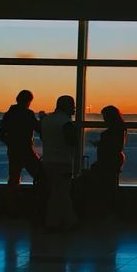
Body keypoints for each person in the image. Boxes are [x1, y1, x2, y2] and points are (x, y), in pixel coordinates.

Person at [0, 90, 42, 210]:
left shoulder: (9, 114)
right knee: (40, 175)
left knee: (13, 179)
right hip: (26, 151)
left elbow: (1, 134)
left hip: (14, 151)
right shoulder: (28, 114)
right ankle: (38, 203)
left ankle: (11, 207)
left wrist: (10, 144)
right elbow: (39, 128)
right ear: (28, 101)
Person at [41, 95, 78, 230]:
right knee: (62, 193)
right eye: (72, 106)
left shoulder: (47, 120)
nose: (74, 109)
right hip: (63, 162)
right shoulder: (66, 123)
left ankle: (56, 221)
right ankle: (64, 221)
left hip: (48, 161)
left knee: (56, 192)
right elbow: (72, 142)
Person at [90, 105, 127, 213]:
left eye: (105, 116)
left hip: (108, 161)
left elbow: (114, 146)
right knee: (111, 185)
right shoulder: (120, 129)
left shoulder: (113, 131)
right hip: (112, 160)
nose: (104, 119)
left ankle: (108, 209)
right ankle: (110, 210)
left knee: (107, 186)